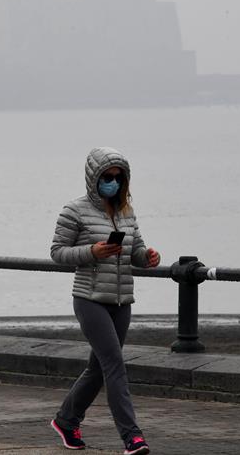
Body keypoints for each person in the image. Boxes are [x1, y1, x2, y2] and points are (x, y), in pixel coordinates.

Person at [49, 147, 160, 454]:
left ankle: (66, 420)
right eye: (107, 177)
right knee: (115, 365)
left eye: (118, 177)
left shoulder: (126, 212)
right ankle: (132, 437)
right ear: (93, 177)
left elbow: (136, 251)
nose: (112, 182)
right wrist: (91, 252)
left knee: (98, 368)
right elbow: (57, 253)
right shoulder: (74, 210)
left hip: (122, 300)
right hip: (89, 298)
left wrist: (148, 257)